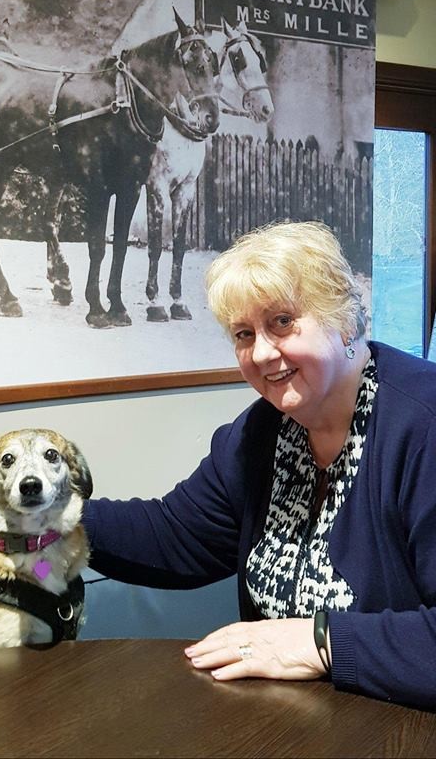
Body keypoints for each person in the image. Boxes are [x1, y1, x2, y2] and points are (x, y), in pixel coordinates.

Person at [82, 220, 436, 711]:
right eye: (244, 334)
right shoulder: (263, 431)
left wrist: (319, 642)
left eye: (283, 322)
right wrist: (48, 521)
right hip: (288, 724)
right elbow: (176, 535)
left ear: (345, 319)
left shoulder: (424, 425)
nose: (263, 353)